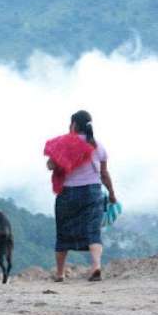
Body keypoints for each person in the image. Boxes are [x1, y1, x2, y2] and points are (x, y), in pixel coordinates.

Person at [44, 110, 116, 282]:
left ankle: (60, 273)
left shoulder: (64, 144)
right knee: (93, 231)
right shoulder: (99, 146)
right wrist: (112, 194)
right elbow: (104, 174)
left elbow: (51, 165)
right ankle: (96, 266)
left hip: (68, 193)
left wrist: (55, 159)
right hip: (93, 192)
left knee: (63, 232)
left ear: (73, 125)